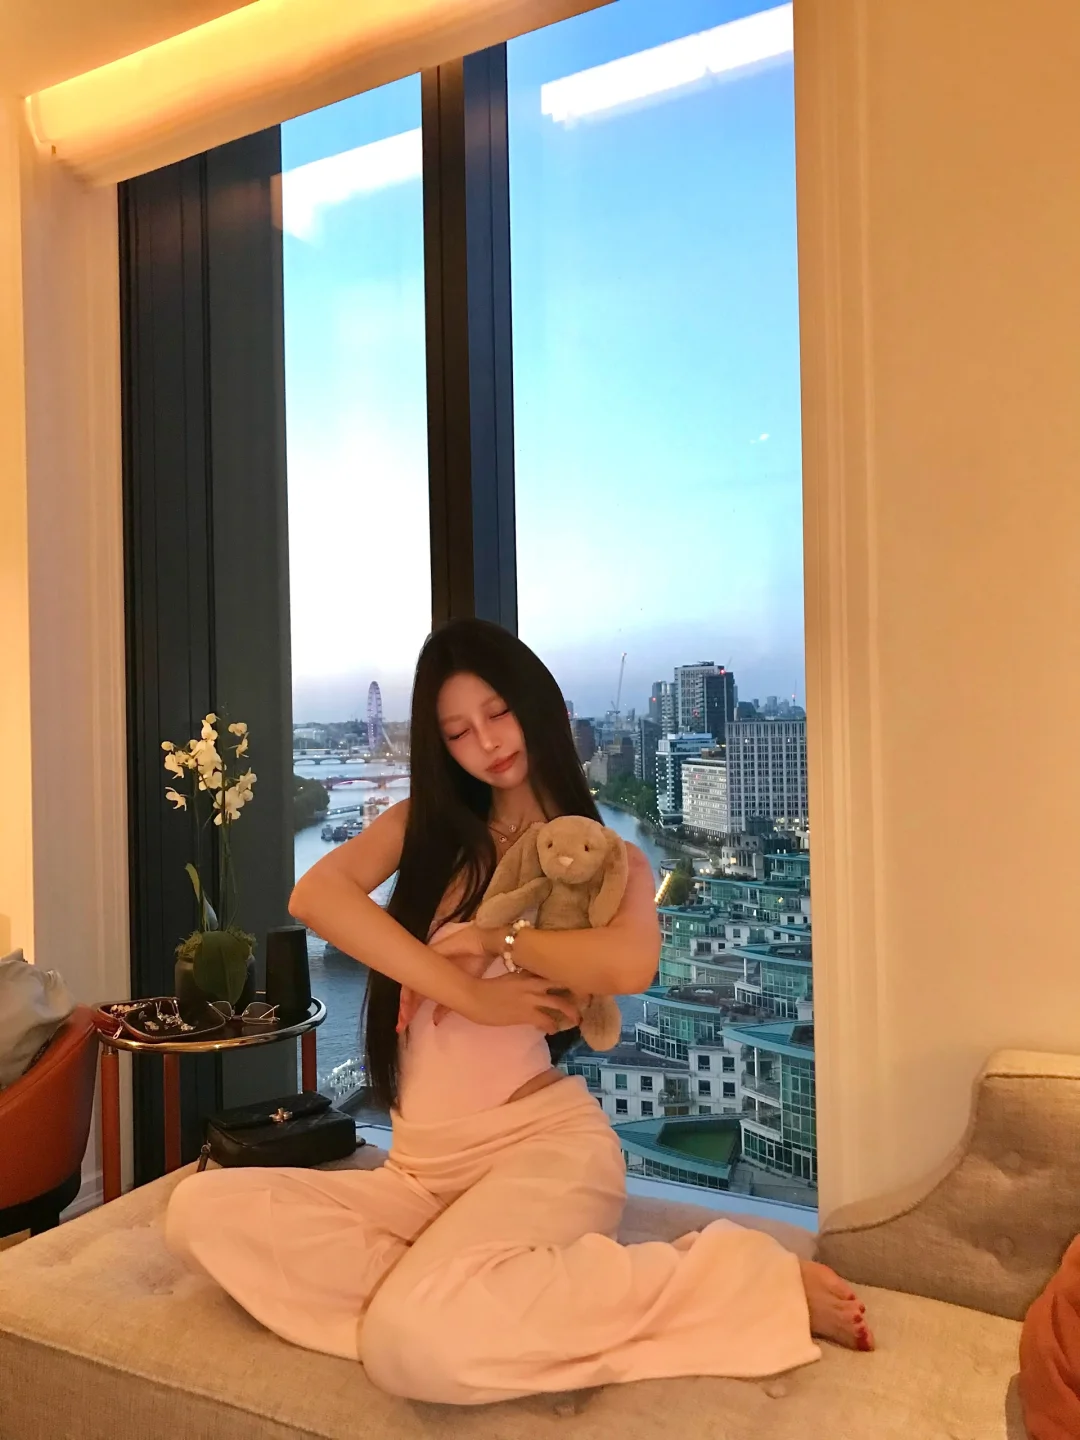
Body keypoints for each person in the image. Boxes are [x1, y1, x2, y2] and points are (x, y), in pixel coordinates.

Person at [166, 619, 872, 1404]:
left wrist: (492, 938)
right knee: (197, 1211)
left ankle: (732, 1277)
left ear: (539, 705)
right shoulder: (428, 831)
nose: (487, 743)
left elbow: (629, 963)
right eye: (457, 732)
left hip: (541, 1151)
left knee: (412, 1347)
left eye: (498, 712)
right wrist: (462, 987)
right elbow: (315, 896)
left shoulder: (599, 859)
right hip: (418, 1173)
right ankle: (465, 1290)